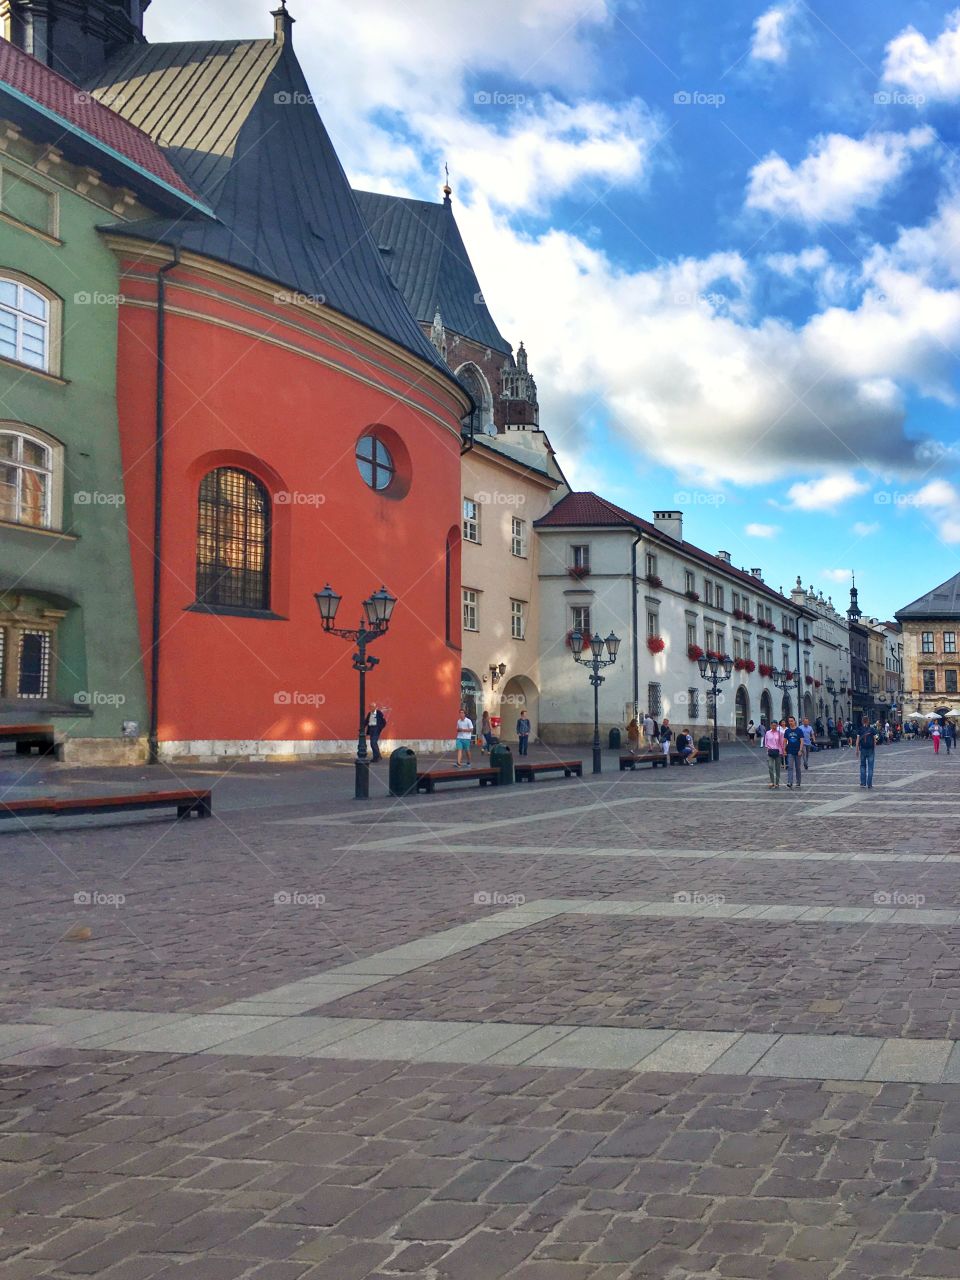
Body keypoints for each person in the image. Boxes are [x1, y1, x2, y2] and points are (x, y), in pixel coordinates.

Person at [856, 715, 877, 788]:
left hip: (863, 749)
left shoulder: (860, 729)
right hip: (870, 749)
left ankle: (862, 783)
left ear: (862, 721)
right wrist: (874, 748)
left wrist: (857, 750)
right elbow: (874, 740)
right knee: (870, 767)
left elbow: (857, 740)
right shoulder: (872, 729)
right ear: (868, 721)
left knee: (862, 766)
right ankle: (869, 784)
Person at [783, 716, 803, 789]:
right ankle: (790, 782)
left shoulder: (799, 730)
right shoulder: (787, 731)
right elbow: (785, 741)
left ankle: (798, 782)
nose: (790, 722)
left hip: (797, 751)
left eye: (792, 721)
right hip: (790, 751)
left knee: (798, 767)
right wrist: (784, 749)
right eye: (789, 721)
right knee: (790, 767)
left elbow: (801, 741)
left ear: (794, 721)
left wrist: (800, 750)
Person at [764, 719, 784, 788]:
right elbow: (766, 743)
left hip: (778, 752)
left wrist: (783, 751)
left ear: (777, 725)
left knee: (777, 768)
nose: (774, 726)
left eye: (775, 725)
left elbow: (781, 743)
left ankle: (777, 783)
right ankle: (772, 782)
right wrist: (767, 749)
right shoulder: (767, 733)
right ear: (770, 725)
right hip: (770, 752)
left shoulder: (780, 733)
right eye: (772, 725)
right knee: (770, 766)